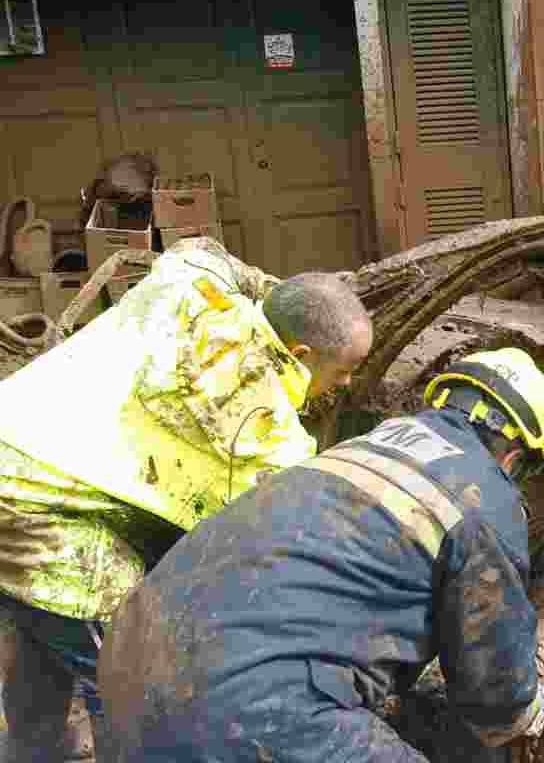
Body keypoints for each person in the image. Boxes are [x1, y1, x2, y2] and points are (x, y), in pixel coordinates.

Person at [0, 236, 372, 763]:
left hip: (13, 443)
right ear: (301, 355)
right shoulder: (261, 428)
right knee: (131, 681)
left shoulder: (194, 281)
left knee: (43, 628)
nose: (347, 382)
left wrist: (274, 293)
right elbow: (272, 540)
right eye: (342, 371)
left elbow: (198, 246)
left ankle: (32, 752)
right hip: (36, 507)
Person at [98, 347, 544, 763]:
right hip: (248, 709)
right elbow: (494, 687)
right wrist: (526, 716)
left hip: (129, 662)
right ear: (515, 454)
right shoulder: (484, 498)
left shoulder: (358, 449)